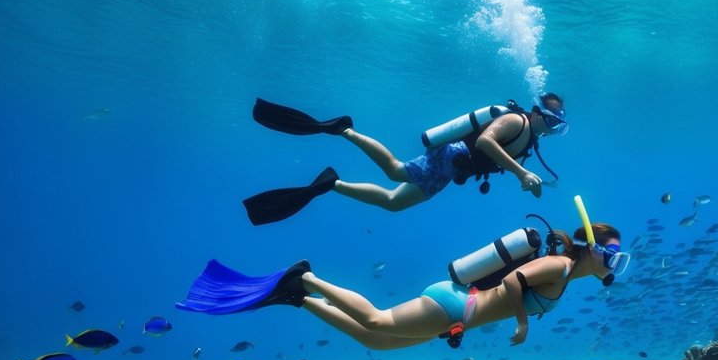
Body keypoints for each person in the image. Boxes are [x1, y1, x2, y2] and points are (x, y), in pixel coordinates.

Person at [176, 223, 628, 350]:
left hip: (457, 317)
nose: (614, 265)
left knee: (377, 343)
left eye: (619, 260)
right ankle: (305, 275)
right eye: (612, 255)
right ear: (591, 250)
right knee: (375, 319)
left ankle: (298, 299)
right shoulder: (559, 266)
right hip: (454, 305)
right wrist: (525, 324)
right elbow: (512, 280)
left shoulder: (567, 275)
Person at [243, 93, 569, 224]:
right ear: (538, 112)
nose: (554, 130)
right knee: (396, 171)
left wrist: (529, 180)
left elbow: (502, 160)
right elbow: (485, 140)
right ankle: (345, 130)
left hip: (453, 168)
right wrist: (520, 175)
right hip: (451, 156)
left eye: (560, 127)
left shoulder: (531, 140)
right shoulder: (518, 121)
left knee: (393, 202)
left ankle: (332, 183)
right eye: (552, 122)